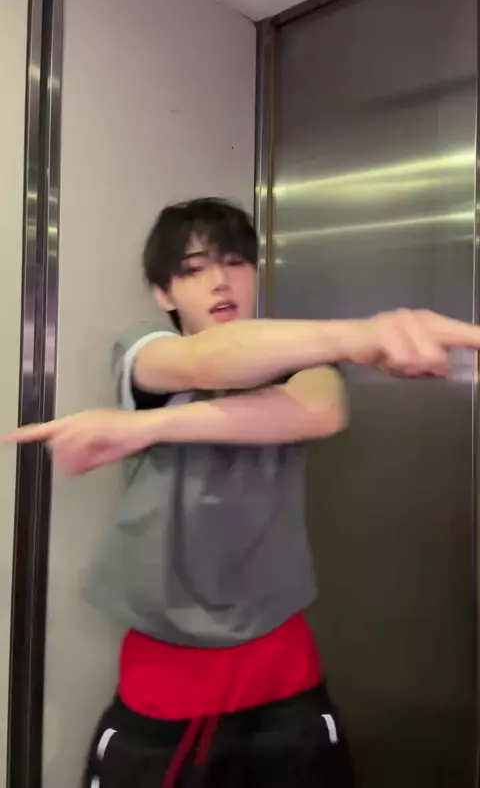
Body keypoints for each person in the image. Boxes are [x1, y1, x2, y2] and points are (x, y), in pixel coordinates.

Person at [6, 198, 480, 788]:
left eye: (235, 262)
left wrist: (144, 429)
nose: (220, 281)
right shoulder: (147, 348)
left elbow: (318, 412)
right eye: (194, 269)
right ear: (163, 293)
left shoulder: (303, 361)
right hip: (165, 687)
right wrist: (364, 334)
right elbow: (202, 363)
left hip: (285, 682)